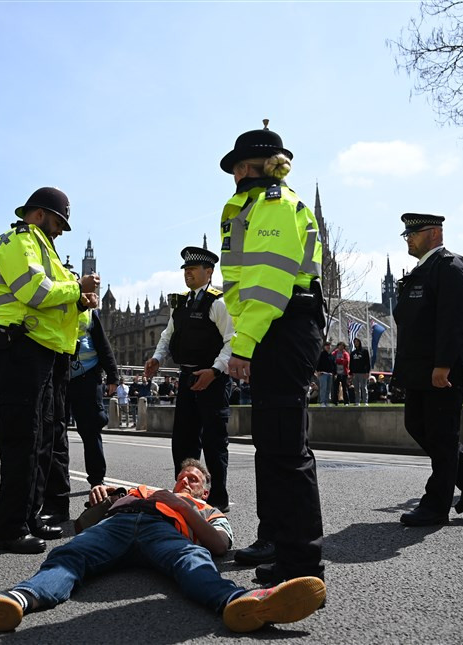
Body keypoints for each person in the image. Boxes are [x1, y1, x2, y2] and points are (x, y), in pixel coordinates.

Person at [0, 459, 326, 634]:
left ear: (206, 487)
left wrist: (182, 505)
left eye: (195, 479)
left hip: (166, 534)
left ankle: (243, 604)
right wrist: (100, 504)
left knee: (194, 561)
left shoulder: (205, 507)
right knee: (68, 557)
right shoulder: (139, 489)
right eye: (182, 477)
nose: (187, 481)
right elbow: (80, 529)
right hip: (117, 525)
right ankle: (9, 601)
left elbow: (220, 546)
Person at [217, 121, 325, 584]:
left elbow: (267, 283)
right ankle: (276, 540)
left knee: (285, 447)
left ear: (254, 167)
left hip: (281, 327)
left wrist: (243, 346)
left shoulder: (273, 205)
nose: (234, 176)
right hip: (271, 330)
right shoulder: (256, 205)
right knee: (272, 444)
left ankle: (300, 562)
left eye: (239, 167)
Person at [0, 186, 99, 554]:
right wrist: (77, 288)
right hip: (20, 349)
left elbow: (58, 302)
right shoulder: (17, 241)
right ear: (38, 214)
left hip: (47, 353)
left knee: (43, 440)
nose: (61, 231)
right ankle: (11, 528)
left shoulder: (45, 247)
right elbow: (34, 291)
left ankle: (31, 517)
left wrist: (80, 300)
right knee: (22, 439)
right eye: (58, 222)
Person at [392, 214, 463, 526]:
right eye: (406, 234)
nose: (408, 238)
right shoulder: (421, 270)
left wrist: (444, 364)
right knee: (419, 426)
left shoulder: (451, 266)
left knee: (442, 433)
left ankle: (436, 505)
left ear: (434, 233)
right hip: (419, 368)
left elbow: (453, 320)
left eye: (414, 233)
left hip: (440, 368)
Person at [145, 246, 234, 512]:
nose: (188, 274)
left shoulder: (218, 303)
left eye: (193, 270)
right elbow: (167, 335)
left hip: (212, 379)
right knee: (183, 440)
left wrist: (216, 370)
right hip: (187, 377)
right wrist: (157, 358)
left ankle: (218, 496)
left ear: (209, 272)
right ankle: (185, 492)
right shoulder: (180, 303)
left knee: (214, 441)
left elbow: (232, 341)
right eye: (185, 270)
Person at [68, 308, 119, 487]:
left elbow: (103, 344)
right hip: (59, 377)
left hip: (87, 376)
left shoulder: (89, 312)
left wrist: (113, 376)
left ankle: (97, 479)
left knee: (90, 429)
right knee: (53, 433)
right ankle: (55, 484)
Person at [349, 337, 371, 406]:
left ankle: (365, 401)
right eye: (355, 342)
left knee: (364, 387)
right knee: (356, 388)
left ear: (360, 342)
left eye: (357, 342)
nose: (356, 343)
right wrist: (351, 373)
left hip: (363, 373)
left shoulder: (364, 351)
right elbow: (351, 363)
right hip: (355, 373)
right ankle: (357, 401)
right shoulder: (353, 353)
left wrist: (367, 372)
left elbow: (367, 362)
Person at [315, 341, 335, 407]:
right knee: (323, 388)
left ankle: (327, 402)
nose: (328, 347)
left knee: (328, 389)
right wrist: (318, 371)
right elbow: (317, 363)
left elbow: (333, 365)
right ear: (324, 347)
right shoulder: (321, 354)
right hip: (323, 374)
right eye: (327, 346)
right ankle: (322, 402)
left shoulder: (331, 355)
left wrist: (334, 373)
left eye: (329, 346)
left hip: (330, 374)